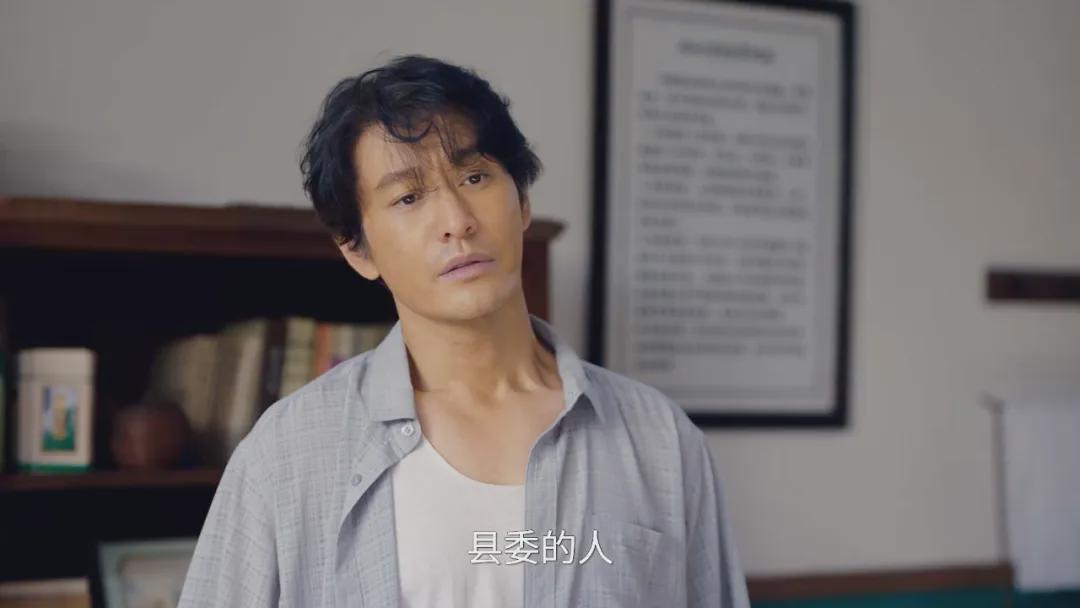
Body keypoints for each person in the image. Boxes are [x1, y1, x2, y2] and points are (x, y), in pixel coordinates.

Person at [178, 54, 748, 608]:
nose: (456, 221)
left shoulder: (658, 438)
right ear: (357, 249)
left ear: (522, 200)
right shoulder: (288, 453)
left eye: (475, 177)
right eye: (408, 197)